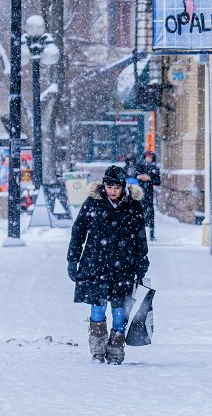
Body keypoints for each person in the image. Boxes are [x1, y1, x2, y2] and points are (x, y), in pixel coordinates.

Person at [66, 165, 149, 365]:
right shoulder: (92, 204)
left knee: (119, 310)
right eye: (109, 186)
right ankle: (97, 350)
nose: (113, 191)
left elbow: (140, 239)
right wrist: (73, 259)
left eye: (117, 187)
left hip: (123, 266)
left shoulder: (133, 207)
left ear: (123, 187)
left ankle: (116, 351)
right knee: (98, 308)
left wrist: (141, 264)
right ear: (104, 186)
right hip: (96, 264)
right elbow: (78, 233)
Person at [135, 150, 161, 241]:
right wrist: (140, 177)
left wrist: (149, 179)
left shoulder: (154, 168)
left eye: (150, 157)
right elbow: (134, 175)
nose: (148, 159)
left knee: (150, 214)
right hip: (139, 193)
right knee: (139, 213)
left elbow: (158, 181)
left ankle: (151, 234)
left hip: (149, 194)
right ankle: (139, 234)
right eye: (147, 157)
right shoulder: (140, 166)